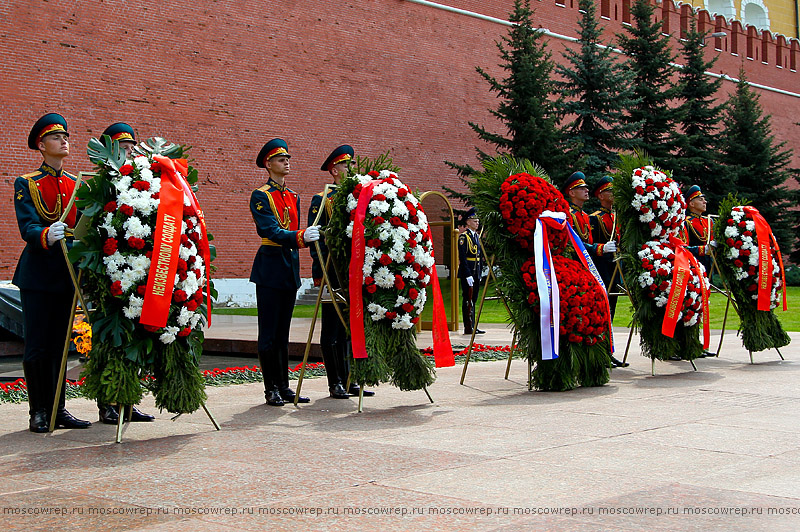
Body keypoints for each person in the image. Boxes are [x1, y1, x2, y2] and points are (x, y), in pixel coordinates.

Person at [14, 113, 92, 432]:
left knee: (61, 344)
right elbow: (28, 225)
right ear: (41, 146)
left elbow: (83, 225)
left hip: (65, 275)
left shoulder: (76, 184)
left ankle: (59, 409)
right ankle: (39, 410)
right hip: (37, 273)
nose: (64, 141)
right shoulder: (28, 182)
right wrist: (46, 233)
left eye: (66, 137)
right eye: (56, 137)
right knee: (38, 345)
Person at [94, 122, 155, 424]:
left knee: (134, 335)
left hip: (138, 269)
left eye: (131, 146)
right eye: (122, 146)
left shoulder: (141, 181)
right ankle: (107, 403)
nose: (128, 151)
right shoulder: (99, 183)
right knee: (110, 339)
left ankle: (129, 400)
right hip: (108, 270)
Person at [250, 138, 319, 406]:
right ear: (268, 165)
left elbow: (290, 230)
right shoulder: (261, 195)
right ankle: (271, 389)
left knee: (283, 333)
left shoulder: (293, 196)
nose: (287, 162)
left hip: (288, 267)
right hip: (270, 268)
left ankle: (284, 385)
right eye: (281, 159)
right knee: (269, 332)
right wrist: (301, 237)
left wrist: (300, 237)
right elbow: (270, 230)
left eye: (288, 158)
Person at [309, 145, 374, 399]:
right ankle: (334, 381)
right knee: (332, 329)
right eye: (346, 165)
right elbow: (317, 240)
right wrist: (321, 273)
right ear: (334, 170)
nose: (351, 169)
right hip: (333, 272)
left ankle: (350, 379)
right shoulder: (323, 198)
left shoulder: (357, 197)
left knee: (351, 327)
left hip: (354, 271)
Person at [589, 176, 628, 368]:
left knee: (611, 311)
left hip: (615, 268)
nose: (613, 195)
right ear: (601, 195)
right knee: (602, 311)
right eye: (610, 192)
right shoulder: (594, 218)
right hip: (602, 269)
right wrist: (603, 248)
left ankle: (608, 350)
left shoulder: (616, 217)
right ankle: (602, 351)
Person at [458, 208, 484, 336]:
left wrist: (480, 271)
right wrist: (468, 274)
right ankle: (468, 326)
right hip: (468, 273)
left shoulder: (476, 236)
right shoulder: (464, 237)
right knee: (468, 299)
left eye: (478, 221)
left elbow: (479, 256)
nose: (477, 223)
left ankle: (473, 325)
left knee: (474, 298)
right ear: (468, 222)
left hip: (476, 272)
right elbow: (463, 258)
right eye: (474, 221)